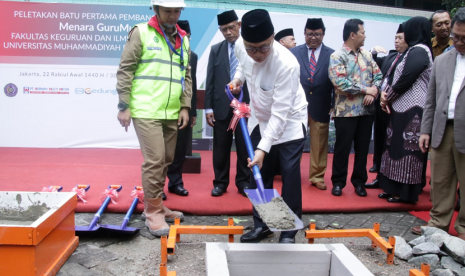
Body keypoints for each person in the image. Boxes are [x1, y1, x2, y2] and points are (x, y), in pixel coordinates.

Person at [229, 9, 308, 244]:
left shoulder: (287, 64)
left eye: (263, 47)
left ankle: (288, 231)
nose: (257, 54)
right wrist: (237, 80)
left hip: (289, 123)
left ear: (273, 37)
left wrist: (264, 148)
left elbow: (280, 113)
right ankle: (264, 225)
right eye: (251, 48)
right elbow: (243, 66)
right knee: (258, 174)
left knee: (290, 177)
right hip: (259, 119)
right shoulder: (242, 48)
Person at [116, 0, 189, 237]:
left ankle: (157, 204)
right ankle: (152, 213)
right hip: (146, 110)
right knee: (155, 160)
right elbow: (126, 69)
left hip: (171, 111)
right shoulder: (141, 33)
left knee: (167, 160)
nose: (172, 15)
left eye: (177, 10)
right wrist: (124, 105)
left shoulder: (183, 38)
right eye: (168, 10)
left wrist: (185, 106)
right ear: (155, 9)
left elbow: (185, 75)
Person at [412, 8, 465, 240]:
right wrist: (425, 130)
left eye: (464, 38)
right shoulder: (442, 59)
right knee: (441, 180)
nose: (459, 42)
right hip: (443, 129)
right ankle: (437, 224)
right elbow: (431, 99)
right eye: (456, 37)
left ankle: (463, 228)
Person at [378, 17, 433, 203]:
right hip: (401, 108)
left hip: (413, 110)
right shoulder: (413, 50)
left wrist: (387, 96)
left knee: (407, 151)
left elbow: (405, 79)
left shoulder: (420, 51)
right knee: (394, 149)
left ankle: (404, 192)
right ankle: (391, 187)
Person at [328, 19, 383, 197]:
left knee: (363, 149)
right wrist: (364, 89)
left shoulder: (367, 55)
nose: (365, 36)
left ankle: (359, 183)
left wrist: (373, 91)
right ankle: (338, 182)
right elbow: (339, 82)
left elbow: (379, 76)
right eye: (362, 32)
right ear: (353, 35)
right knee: (342, 148)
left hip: (366, 112)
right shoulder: (337, 56)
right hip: (345, 111)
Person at [204, 10, 250, 197]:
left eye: (231, 27)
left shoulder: (250, 47)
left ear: (239, 25)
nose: (229, 32)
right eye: (224, 30)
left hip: (244, 107)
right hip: (221, 107)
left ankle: (244, 182)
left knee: (243, 146)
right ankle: (220, 183)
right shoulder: (216, 49)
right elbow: (211, 80)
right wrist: (208, 107)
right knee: (221, 148)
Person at [290, 18, 334, 190]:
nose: (313, 37)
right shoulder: (294, 52)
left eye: (317, 34)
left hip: (321, 104)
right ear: (304, 34)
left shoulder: (332, 54)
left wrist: (333, 103)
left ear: (323, 34)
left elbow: (335, 82)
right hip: (297, 105)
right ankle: (292, 174)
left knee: (319, 143)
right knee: (294, 141)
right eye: (310, 34)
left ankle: (317, 176)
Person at [366, 24, 409, 189]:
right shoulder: (392, 56)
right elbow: (374, 66)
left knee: (390, 141)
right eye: (395, 38)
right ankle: (377, 164)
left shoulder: (409, 58)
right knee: (379, 136)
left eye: (400, 38)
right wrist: (374, 51)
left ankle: (387, 173)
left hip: (395, 105)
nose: (396, 41)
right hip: (380, 103)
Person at [166, 20, 197, 198]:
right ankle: (157, 186)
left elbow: (190, 83)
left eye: (188, 37)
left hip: (182, 109)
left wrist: (191, 111)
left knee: (179, 149)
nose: (185, 39)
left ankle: (176, 182)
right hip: (163, 107)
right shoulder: (165, 53)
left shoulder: (193, 56)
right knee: (161, 151)